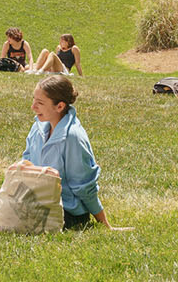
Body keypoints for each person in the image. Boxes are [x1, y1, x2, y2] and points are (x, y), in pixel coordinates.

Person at [22, 75, 119, 230]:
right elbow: (26, 160)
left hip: (67, 212)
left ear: (59, 106)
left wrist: (104, 223)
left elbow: (84, 185)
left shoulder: (72, 137)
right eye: (33, 100)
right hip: (37, 201)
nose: (33, 106)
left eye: (40, 103)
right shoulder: (38, 126)